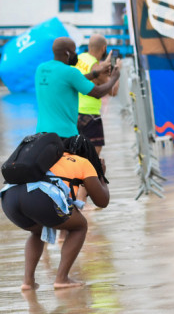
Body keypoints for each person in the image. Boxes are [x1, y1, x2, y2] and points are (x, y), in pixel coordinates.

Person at [1, 135, 110, 290]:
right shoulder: (83, 162)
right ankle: (61, 278)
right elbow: (102, 201)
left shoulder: (47, 159)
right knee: (80, 226)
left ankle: (28, 282)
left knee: (37, 231)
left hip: (8, 198)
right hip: (37, 197)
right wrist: (101, 176)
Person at [36, 37, 121, 139]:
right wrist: (114, 78)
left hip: (42, 134)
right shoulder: (70, 72)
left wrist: (96, 73)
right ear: (67, 53)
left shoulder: (41, 69)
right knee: (92, 155)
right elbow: (97, 92)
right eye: (74, 51)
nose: (76, 54)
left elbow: (71, 82)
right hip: (65, 135)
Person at [75, 34, 118, 155]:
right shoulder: (95, 66)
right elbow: (113, 91)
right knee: (93, 155)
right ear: (104, 48)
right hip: (90, 114)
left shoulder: (79, 58)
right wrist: (115, 70)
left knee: (77, 153)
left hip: (73, 113)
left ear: (89, 46)